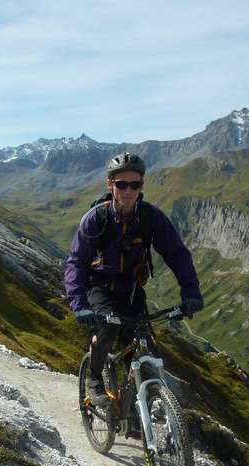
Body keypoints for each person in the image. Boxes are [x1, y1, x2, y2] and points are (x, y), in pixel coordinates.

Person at [64, 152, 203, 408]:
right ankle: (94, 378)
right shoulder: (96, 218)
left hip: (131, 290)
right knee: (107, 330)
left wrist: (190, 293)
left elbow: (177, 254)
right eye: (121, 184)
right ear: (110, 185)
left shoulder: (151, 217)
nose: (128, 190)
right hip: (100, 287)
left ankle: (137, 407)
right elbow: (77, 262)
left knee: (143, 347)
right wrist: (79, 305)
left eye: (135, 184)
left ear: (142, 186)